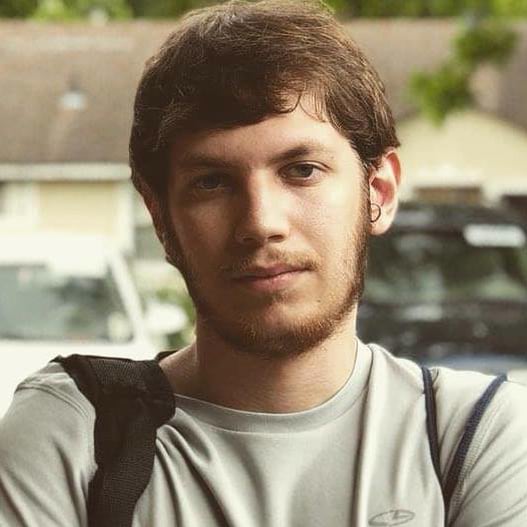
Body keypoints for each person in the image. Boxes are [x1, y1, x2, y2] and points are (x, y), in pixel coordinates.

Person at [1, 1, 527, 526]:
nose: (260, 222)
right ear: (160, 217)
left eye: (302, 170)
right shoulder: (79, 435)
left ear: (380, 191)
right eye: (212, 182)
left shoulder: (475, 436)